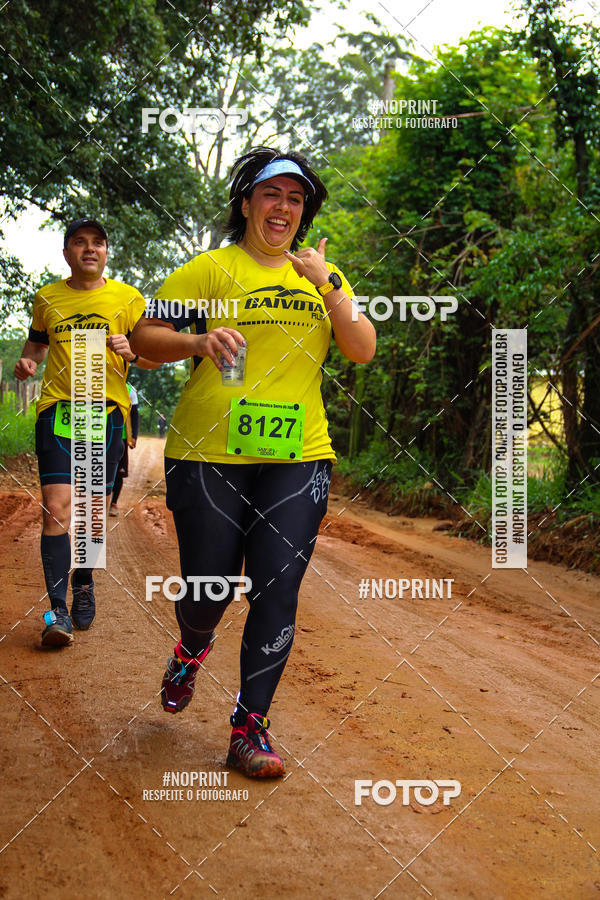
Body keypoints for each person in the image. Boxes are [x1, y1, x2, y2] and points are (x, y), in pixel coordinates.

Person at [130, 147, 376, 778]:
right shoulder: (211, 270)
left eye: (295, 199)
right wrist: (198, 340)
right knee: (210, 585)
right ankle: (191, 646)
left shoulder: (324, 277)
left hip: (299, 456)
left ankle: (250, 728)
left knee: (277, 588)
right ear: (247, 204)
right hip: (209, 451)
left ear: (304, 213)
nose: (283, 208)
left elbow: (362, 347)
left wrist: (326, 281)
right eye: (272, 195)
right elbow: (143, 343)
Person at [15, 218, 158, 647]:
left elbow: (154, 357)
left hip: (106, 411)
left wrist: (134, 350)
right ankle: (56, 611)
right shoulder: (47, 298)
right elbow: (35, 347)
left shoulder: (128, 299)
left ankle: (84, 582)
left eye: (98, 242)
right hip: (59, 409)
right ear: (67, 253)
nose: (90, 249)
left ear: (107, 252)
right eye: (80, 242)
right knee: (56, 507)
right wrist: (27, 364)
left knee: (91, 512)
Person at [110, 382, 139, 517]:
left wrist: (134, 436)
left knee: (119, 472)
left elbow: (134, 415)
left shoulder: (130, 390)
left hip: (121, 436)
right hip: (98, 435)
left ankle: (114, 503)